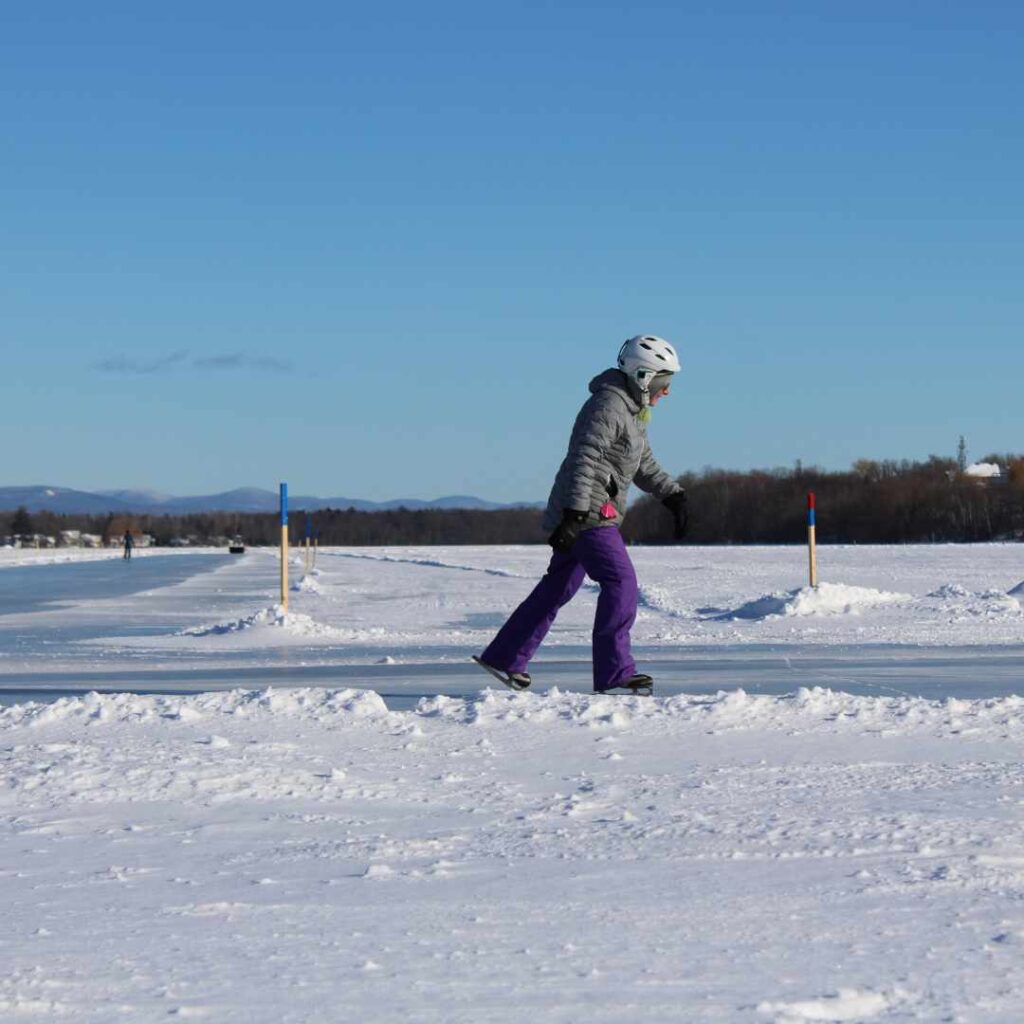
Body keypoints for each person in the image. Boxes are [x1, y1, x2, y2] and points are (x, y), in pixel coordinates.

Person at [474, 335, 689, 696]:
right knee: (621, 582)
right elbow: (584, 457)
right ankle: (615, 672)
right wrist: (574, 515)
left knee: (558, 587)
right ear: (642, 377)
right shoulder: (608, 406)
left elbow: (642, 462)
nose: (667, 392)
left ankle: (505, 657)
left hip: (586, 510)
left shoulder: (633, 411)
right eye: (664, 383)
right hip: (588, 512)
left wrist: (673, 494)